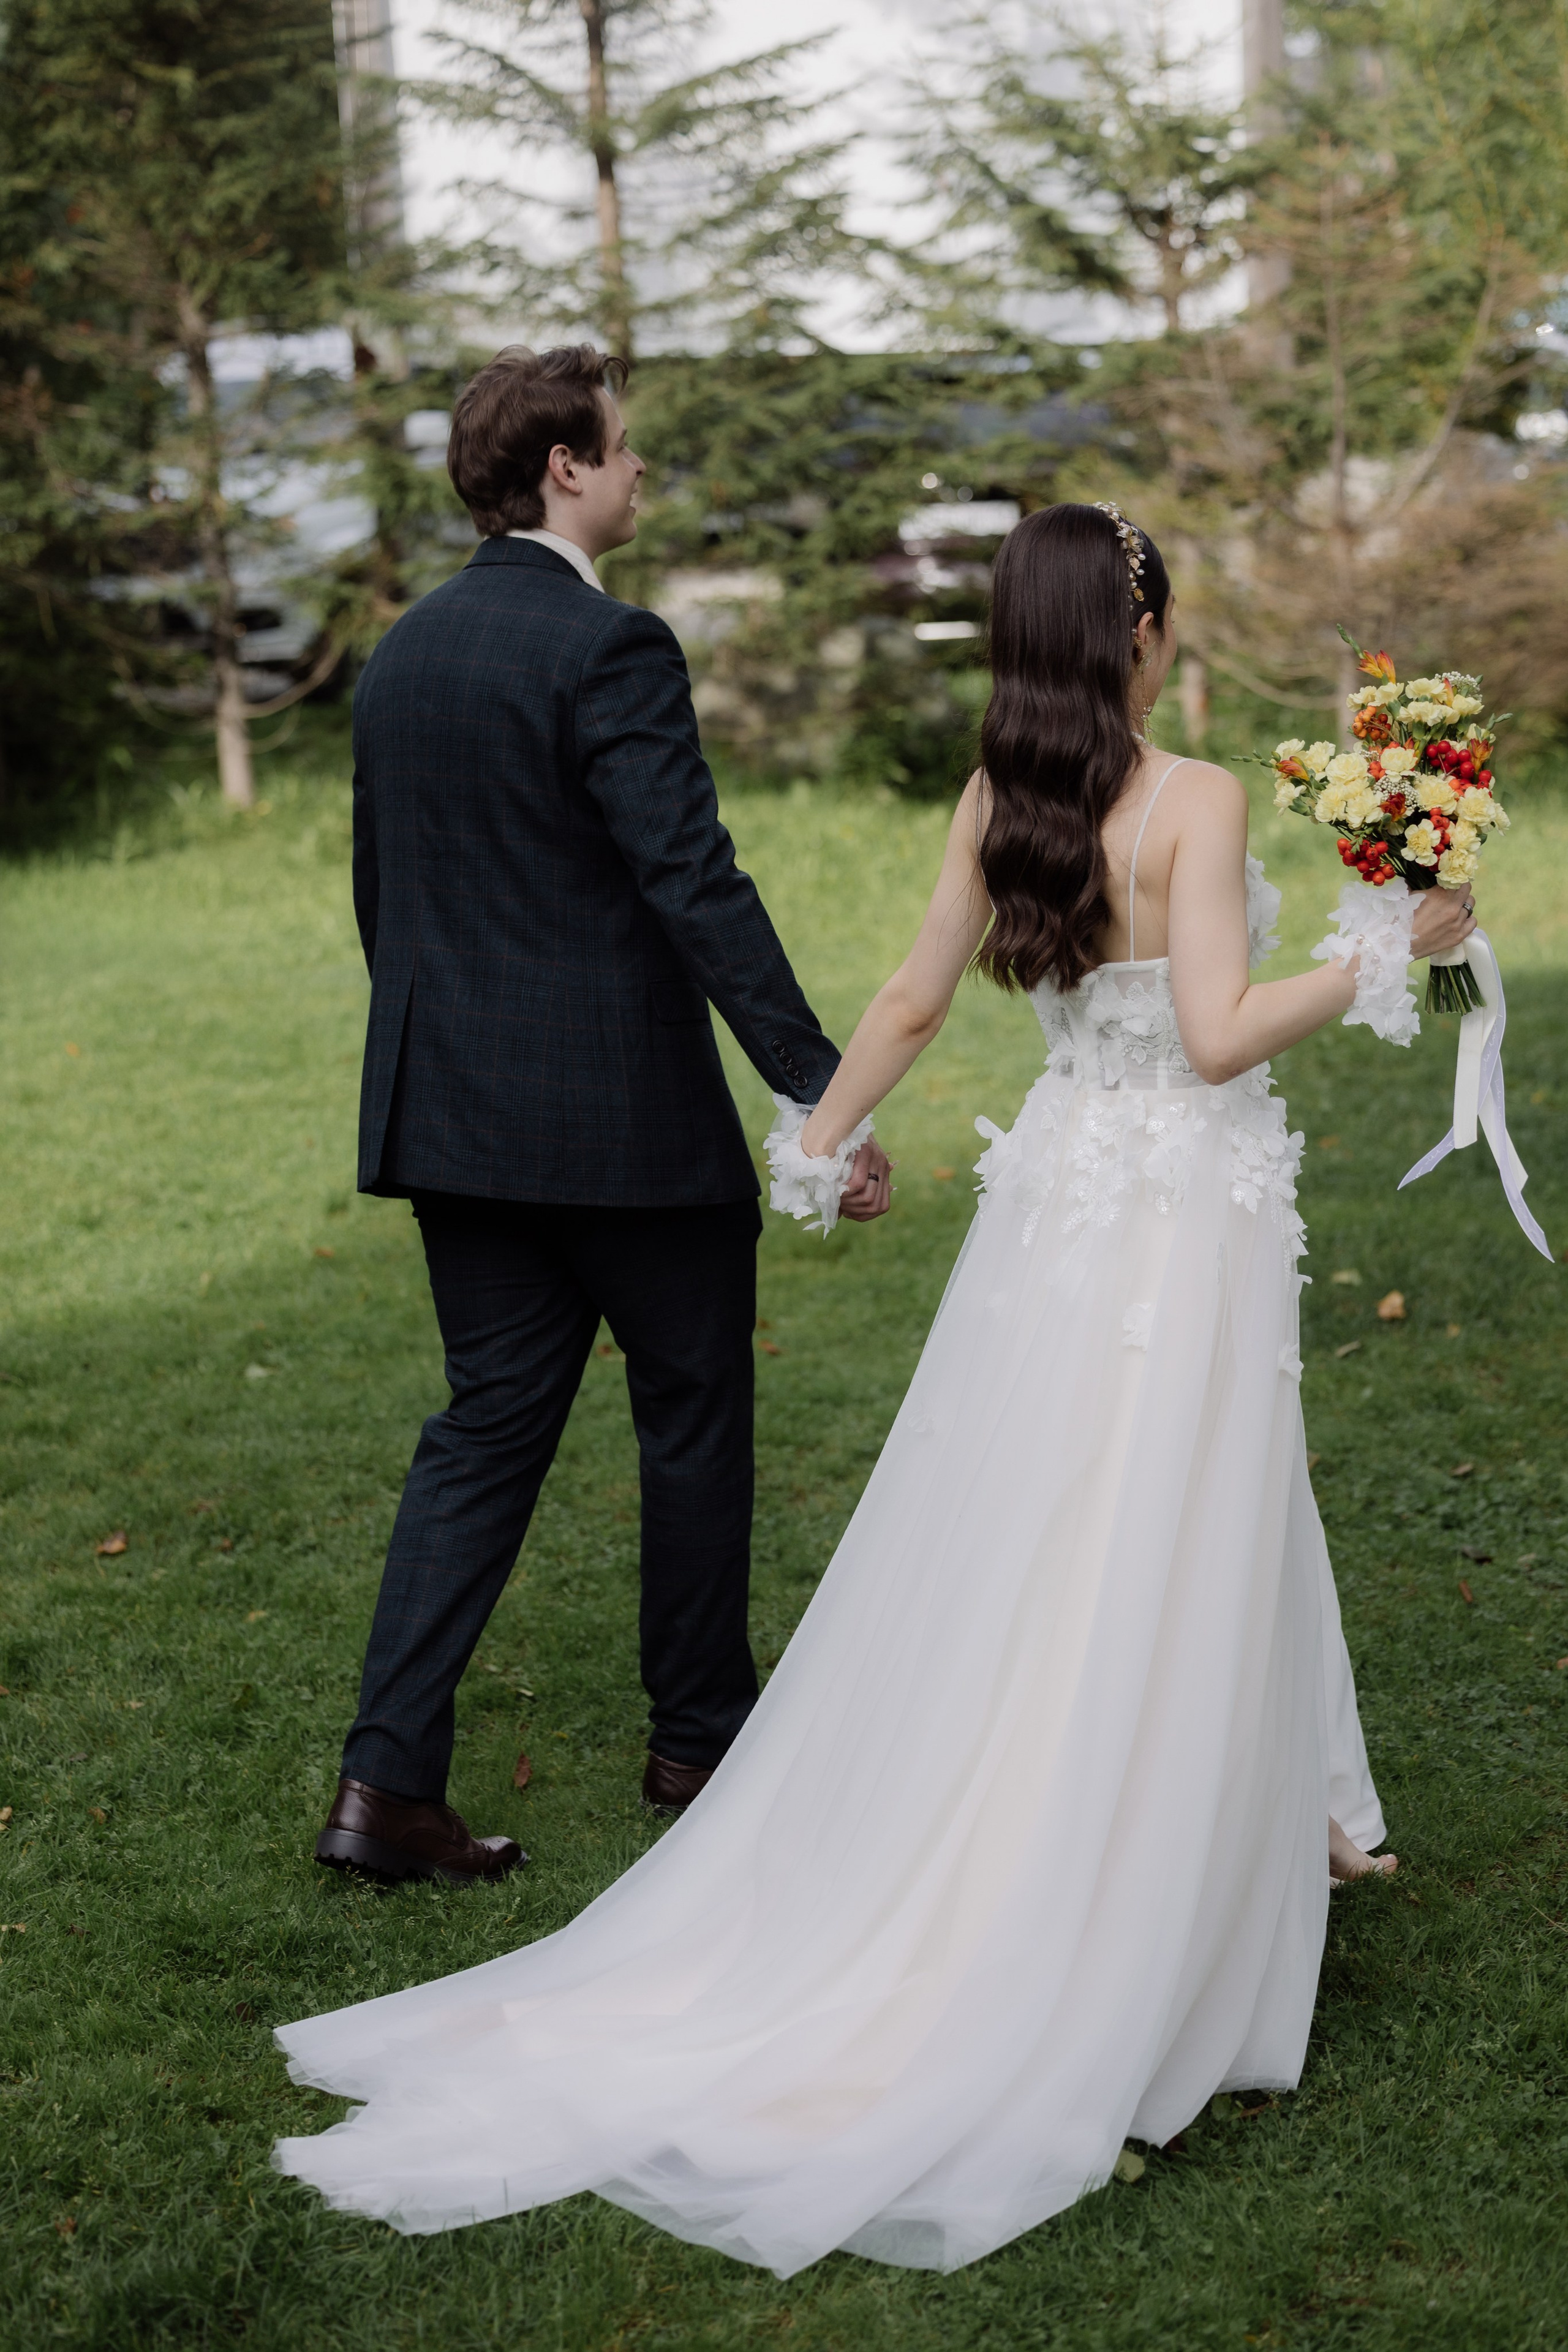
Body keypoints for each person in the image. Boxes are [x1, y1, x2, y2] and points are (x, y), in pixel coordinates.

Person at [276, 503, 1476, 2275]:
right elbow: (1218, 1034)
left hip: (1057, 1199)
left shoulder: (1002, 799)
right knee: (1177, 1510)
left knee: (1062, 1527)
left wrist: (817, 1138)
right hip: (1176, 1209)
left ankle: (1263, 1812)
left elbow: (913, 1000)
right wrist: (1389, 948)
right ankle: (1142, 1881)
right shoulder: (1198, 797)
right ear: (1139, 632)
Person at [313, 344, 890, 1891]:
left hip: (451, 1120)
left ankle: (383, 1787)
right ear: (563, 468)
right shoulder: (612, 644)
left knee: (484, 1432)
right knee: (690, 1413)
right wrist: (819, 1092)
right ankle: (697, 1740)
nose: (640, 470)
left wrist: (446, 1069)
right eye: (624, 446)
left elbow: (387, 900)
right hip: (625, 1133)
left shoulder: (403, 651)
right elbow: (691, 878)